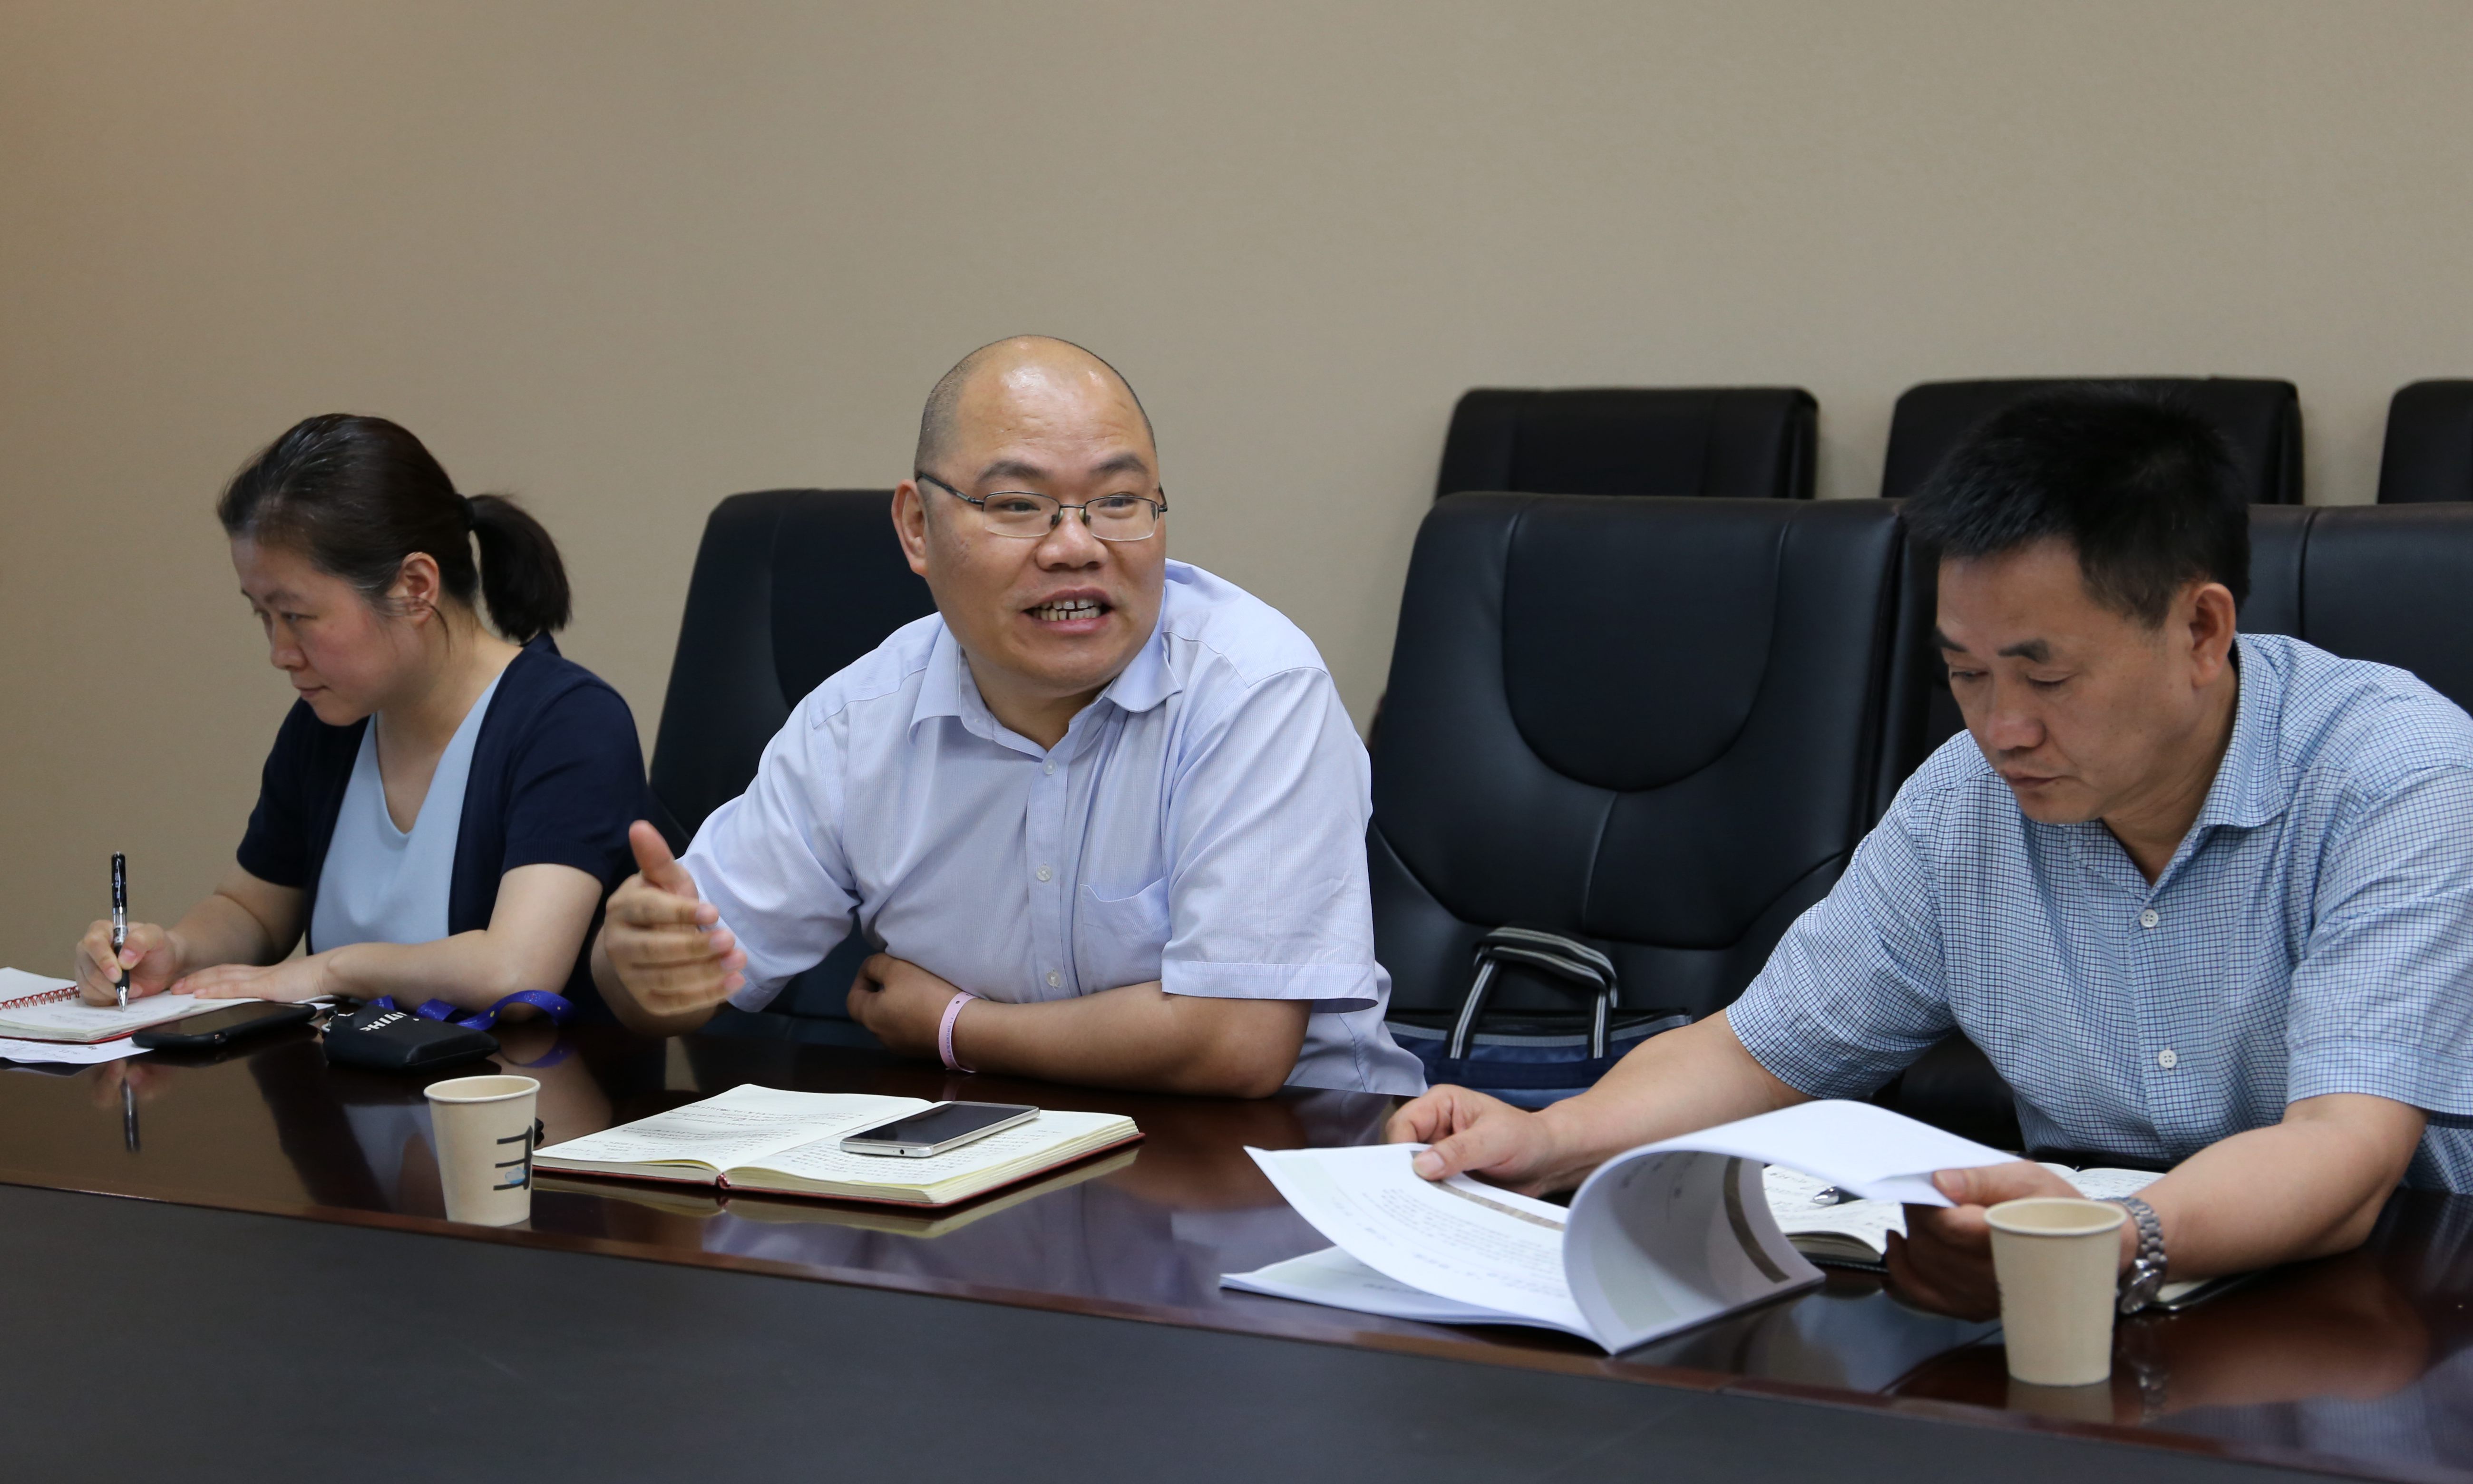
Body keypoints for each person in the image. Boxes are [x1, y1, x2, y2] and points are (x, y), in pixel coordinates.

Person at [1390, 389, 2473, 1318]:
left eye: (2045, 676)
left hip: (2394, 1302)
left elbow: (2343, 1147)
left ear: (2200, 631)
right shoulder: (1966, 799)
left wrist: (2106, 1240)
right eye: (1964, 671)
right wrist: (1551, 1137)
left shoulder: (2395, 779)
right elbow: (1760, 1051)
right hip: (2080, 1295)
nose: (2001, 727)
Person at [593, 335, 1423, 1097]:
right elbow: (681, 976)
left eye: (1119, 500)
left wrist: (955, 1028)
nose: (1076, 547)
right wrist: (639, 965)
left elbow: (1235, 1045)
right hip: (988, 1159)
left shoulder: (1254, 687)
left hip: (1287, 1159)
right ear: (918, 529)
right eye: (1020, 505)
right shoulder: (858, 721)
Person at [74, 415, 649, 1017]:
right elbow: (252, 910)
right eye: (263, 616)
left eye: (295, 615)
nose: (279, 653)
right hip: (347, 1076)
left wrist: (330, 970)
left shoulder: (567, 723)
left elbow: (516, 974)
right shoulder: (328, 722)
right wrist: (174, 951)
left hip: (532, 1078)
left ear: (415, 587)